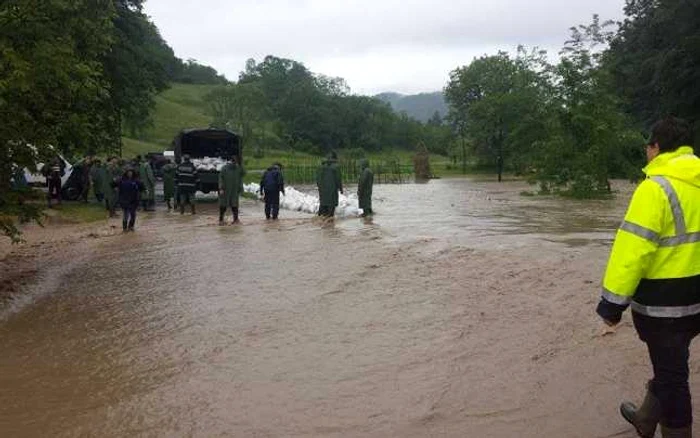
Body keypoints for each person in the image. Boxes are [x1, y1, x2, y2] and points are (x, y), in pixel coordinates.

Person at [596, 117, 700, 438]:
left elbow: (631, 253)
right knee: (672, 366)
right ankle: (644, 418)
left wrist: (611, 305)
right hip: (696, 304)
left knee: (673, 381)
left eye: (648, 146)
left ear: (656, 148)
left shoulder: (654, 188)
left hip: (663, 308)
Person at [219, 156, 245, 225]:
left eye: (235, 162)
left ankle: (235, 220)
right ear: (231, 161)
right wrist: (221, 188)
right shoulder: (224, 168)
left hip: (234, 190)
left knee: (234, 205)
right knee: (223, 205)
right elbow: (221, 178)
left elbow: (243, 173)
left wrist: (241, 164)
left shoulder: (238, 168)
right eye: (233, 162)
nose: (234, 164)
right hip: (226, 190)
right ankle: (221, 220)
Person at [316, 152, 343, 218]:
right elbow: (338, 179)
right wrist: (341, 188)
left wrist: (320, 188)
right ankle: (330, 226)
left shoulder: (321, 167)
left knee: (322, 213)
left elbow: (317, 179)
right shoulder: (336, 167)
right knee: (330, 215)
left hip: (322, 192)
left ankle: (321, 226)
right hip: (332, 191)